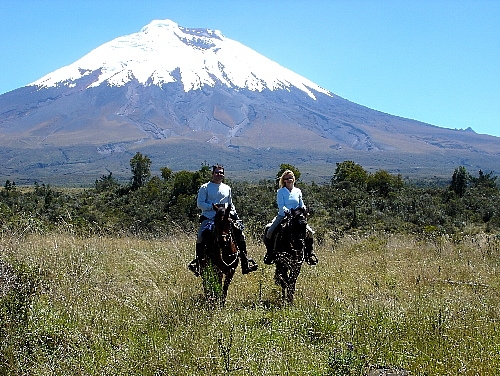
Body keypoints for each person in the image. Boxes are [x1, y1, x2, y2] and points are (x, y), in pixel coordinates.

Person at [188, 164, 258, 276]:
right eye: (217, 172)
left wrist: (235, 216)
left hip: (225, 218)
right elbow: (200, 204)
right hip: (210, 217)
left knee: (241, 234)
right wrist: (214, 206)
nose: (219, 174)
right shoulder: (205, 187)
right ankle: (199, 263)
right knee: (202, 235)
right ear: (213, 173)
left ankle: (245, 262)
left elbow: (230, 204)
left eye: (221, 172)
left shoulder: (227, 188)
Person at [263, 169, 318, 265]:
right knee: (269, 230)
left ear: (294, 179)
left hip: (297, 216)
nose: (289, 180)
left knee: (309, 232)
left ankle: (309, 254)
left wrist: (304, 210)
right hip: (283, 215)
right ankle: (270, 253)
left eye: (290, 178)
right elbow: (281, 205)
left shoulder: (298, 191)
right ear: (283, 180)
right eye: (286, 178)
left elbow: (301, 203)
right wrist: (288, 211)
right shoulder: (281, 191)